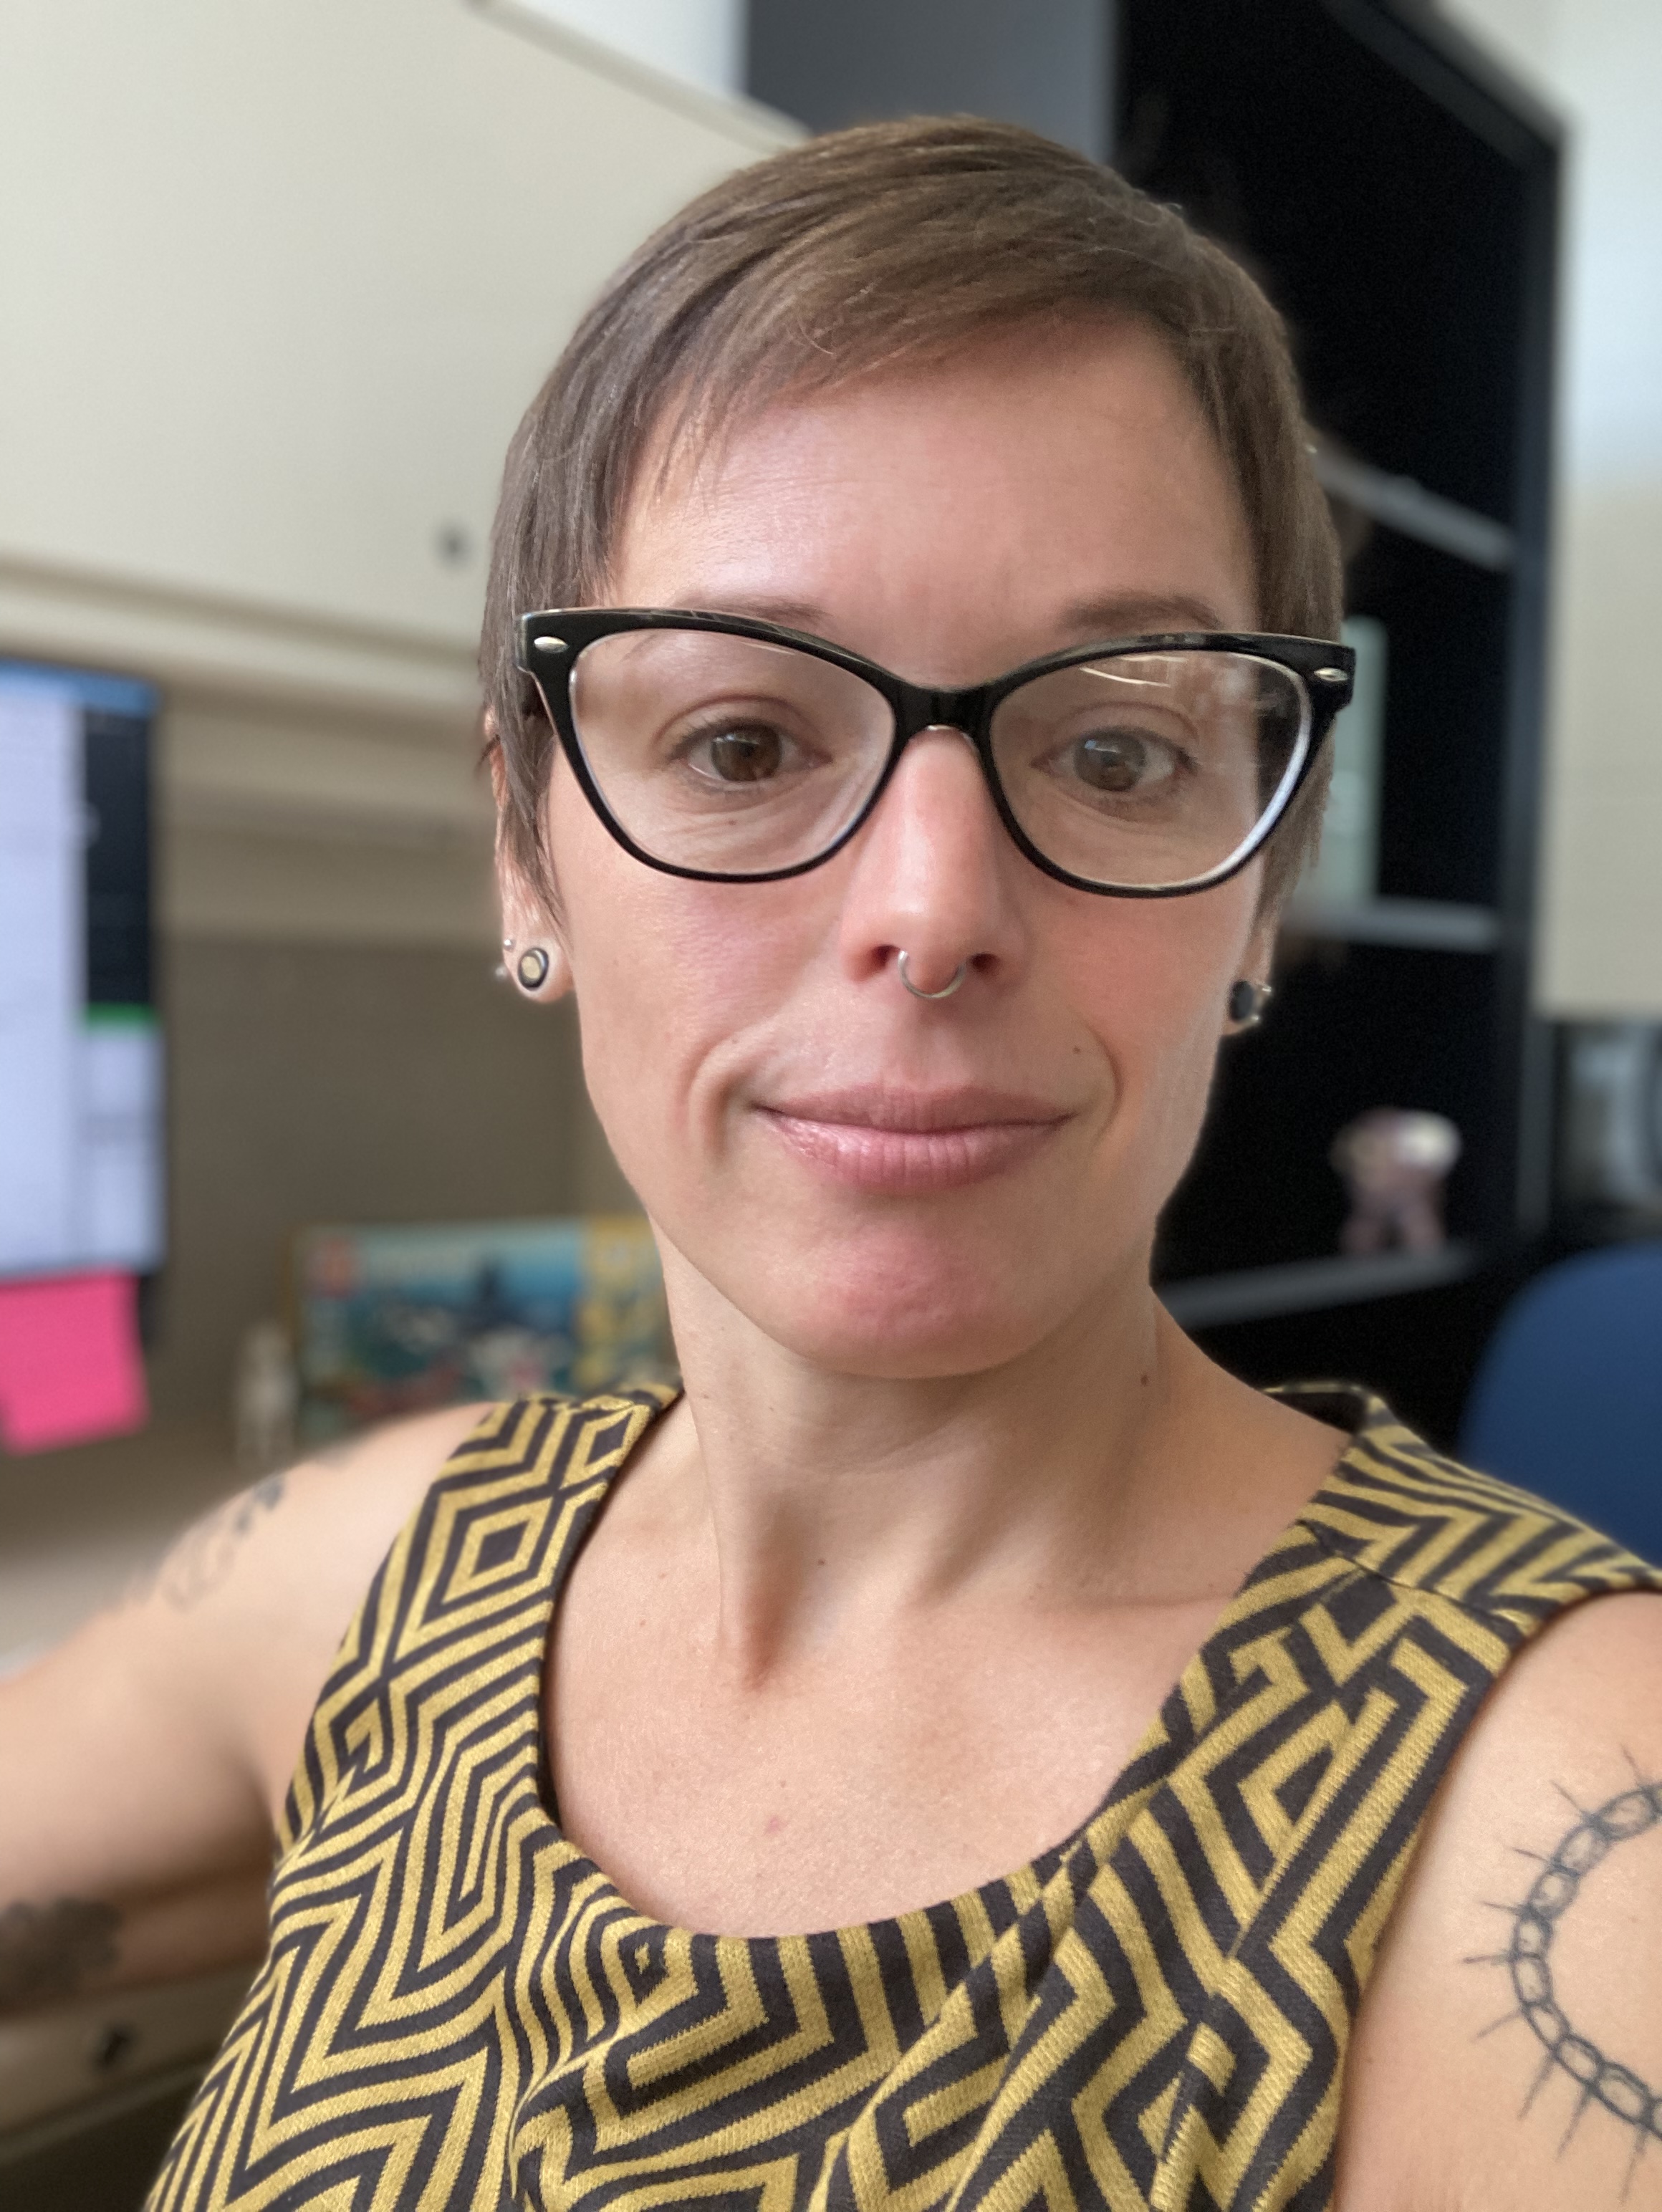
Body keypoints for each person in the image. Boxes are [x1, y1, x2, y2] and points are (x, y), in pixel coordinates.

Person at [2, 118, 1658, 2212]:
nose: (934, 904)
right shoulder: (381, 1582)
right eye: (745, 741)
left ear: (1264, 884)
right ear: (528, 839)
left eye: (1119, 746)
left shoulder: (1565, 1832)